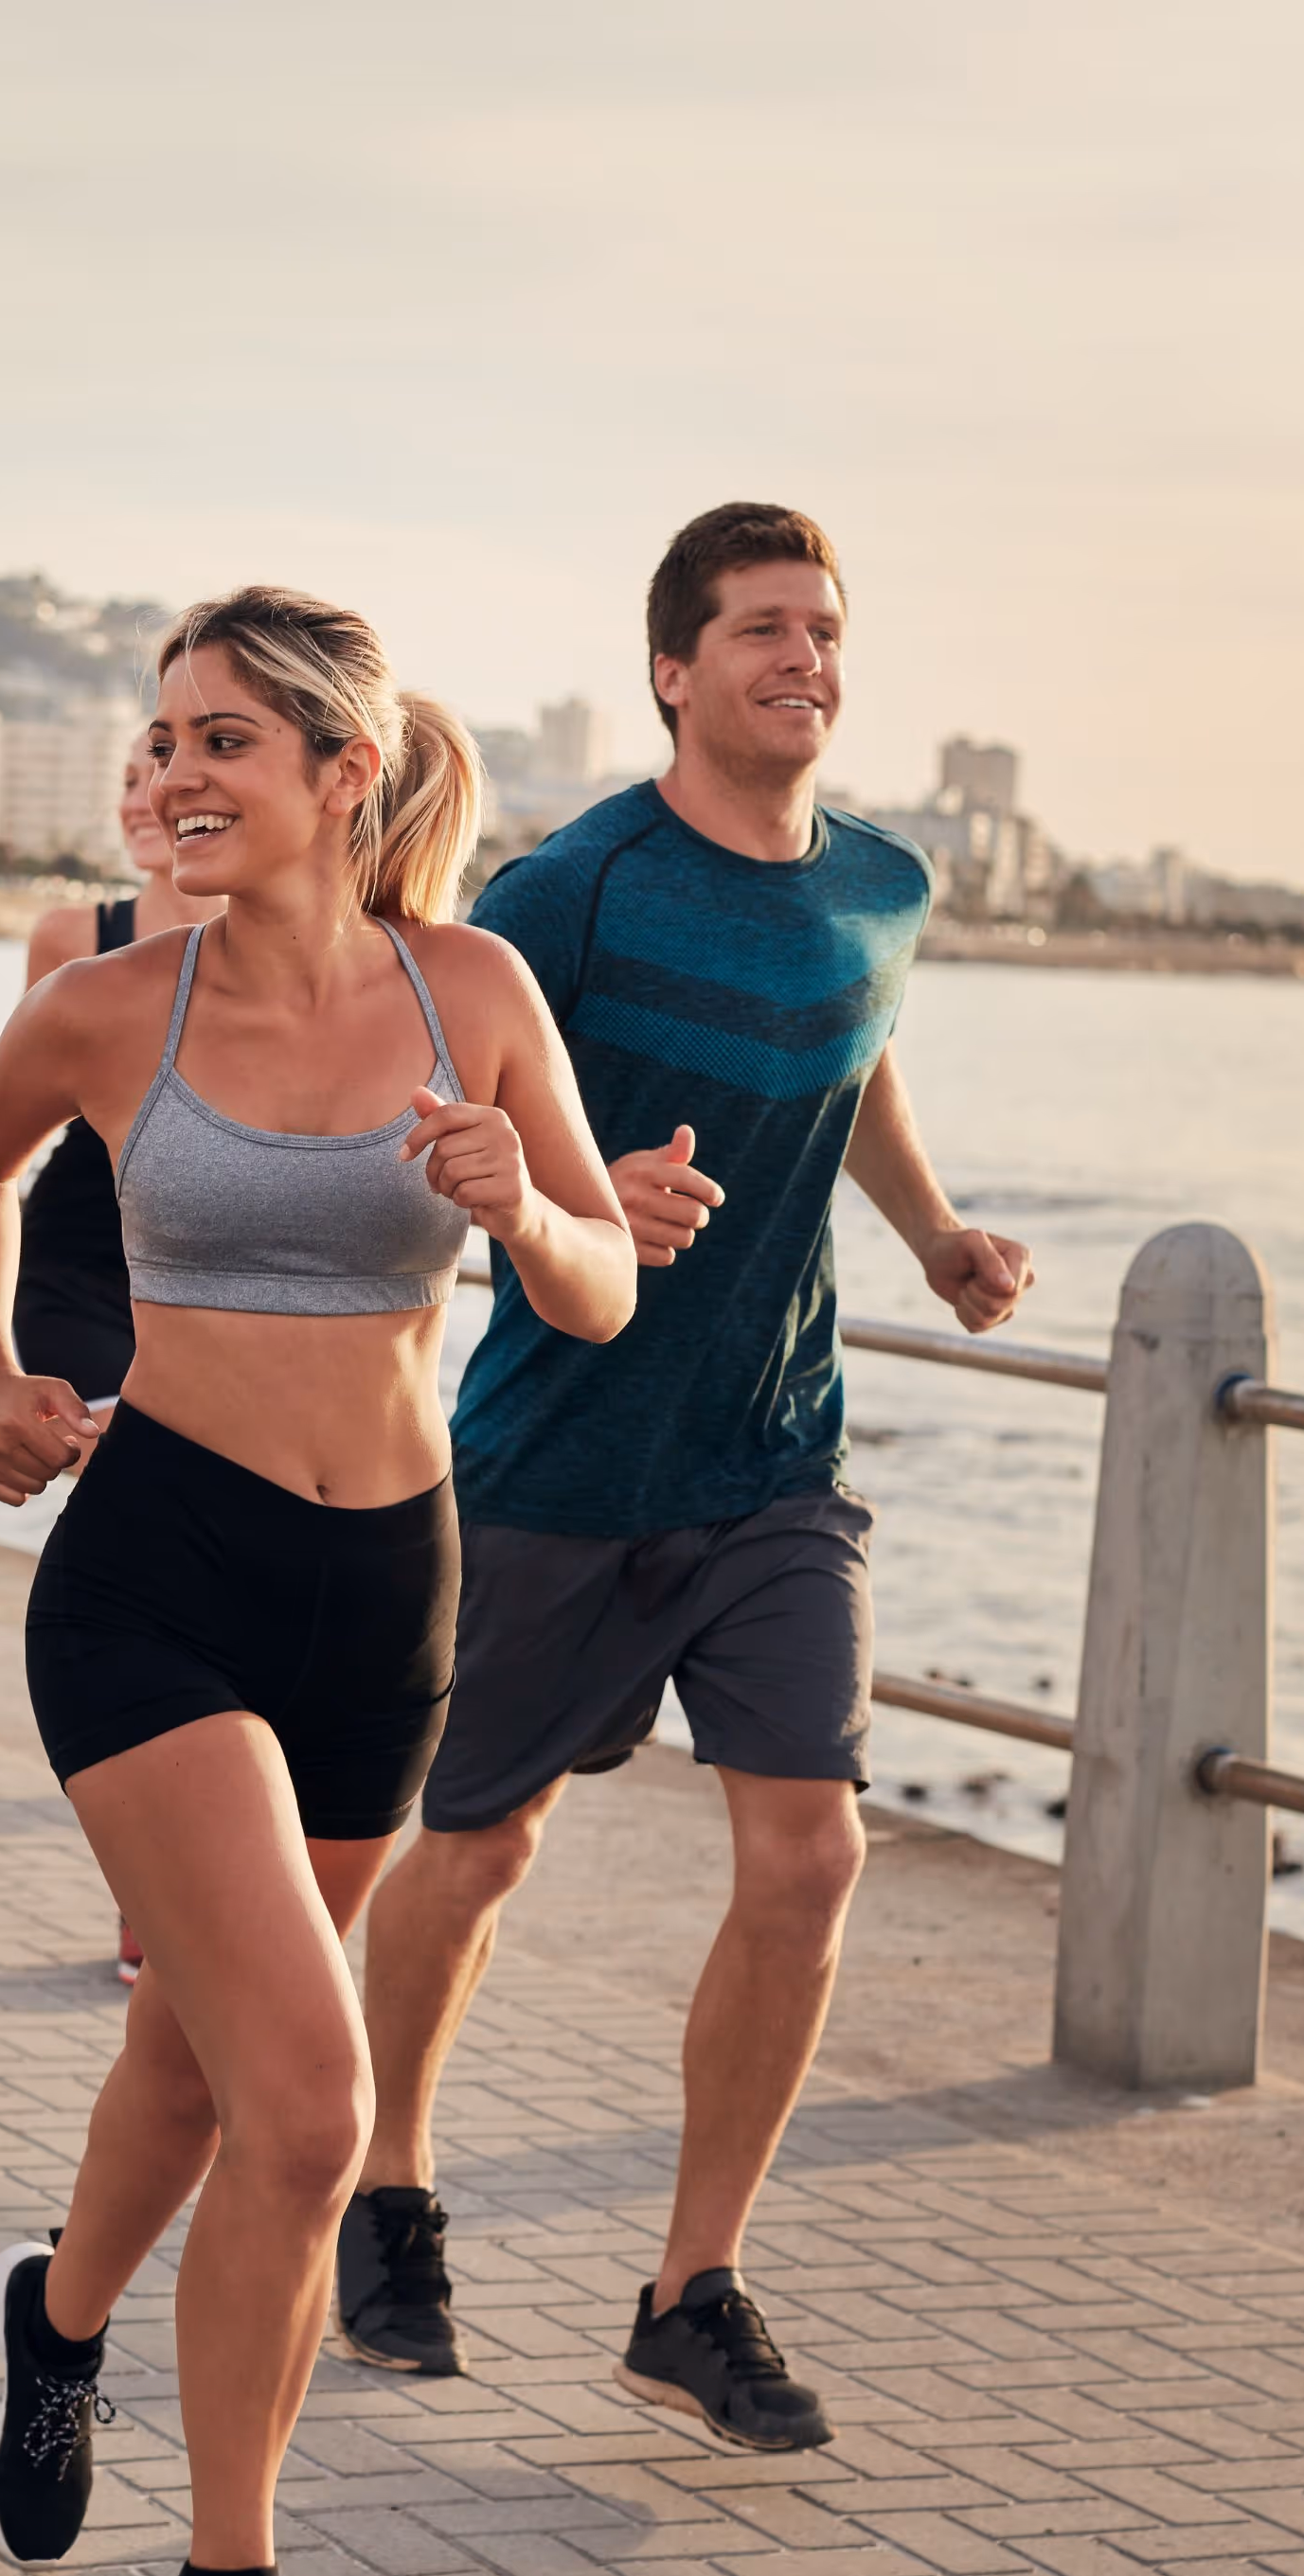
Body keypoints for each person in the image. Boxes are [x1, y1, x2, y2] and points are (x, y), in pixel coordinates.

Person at [0, 587, 634, 2576]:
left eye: (227, 735)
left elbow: (599, 1289)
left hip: (384, 1599)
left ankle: (55, 2327)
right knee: (313, 2107)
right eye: (166, 735)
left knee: (201, 2064)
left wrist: (526, 1207)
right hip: (157, 1586)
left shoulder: (480, 992)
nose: (179, 770)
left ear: (348, 774)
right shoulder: (108, 1003)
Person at [338, 505, 1033, 2432]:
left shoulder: (883, 883)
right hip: (562, 1457)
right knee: (475, 1850)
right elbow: (430, 1110)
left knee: (813, 1849)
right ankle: (382, 2188)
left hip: (772, 1463)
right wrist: (577, 1191)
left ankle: (693, 2282)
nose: (802, 658)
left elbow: (855, 1046)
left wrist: (936, 1233)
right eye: (760, 631)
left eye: (824, 630)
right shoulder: (571, 888)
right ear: (675, 668)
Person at [16, 730, 222, 1986]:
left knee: (217, 1573)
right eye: (137, 767)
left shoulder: (271, 938)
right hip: (84, 1275)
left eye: (177, 765)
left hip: (203, 1288)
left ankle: (205, 1858)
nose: (149, 790)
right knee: (151, 1561)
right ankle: (149, 1893)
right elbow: (11, 1104)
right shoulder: (72, 937)